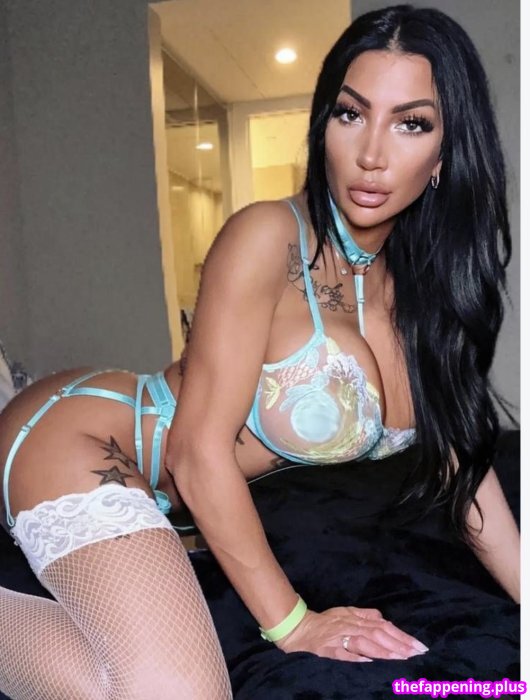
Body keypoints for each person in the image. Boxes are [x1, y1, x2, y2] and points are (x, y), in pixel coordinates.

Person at [0, 3, 520, 698]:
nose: (371, 154)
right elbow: (196, 451)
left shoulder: (429, 290)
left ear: (446, 153)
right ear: (323, 123)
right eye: (350, 114)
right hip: (87, 439)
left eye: (411, 123)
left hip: (170, 506)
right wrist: (294, 624)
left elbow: (464, 464)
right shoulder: (268, 238)